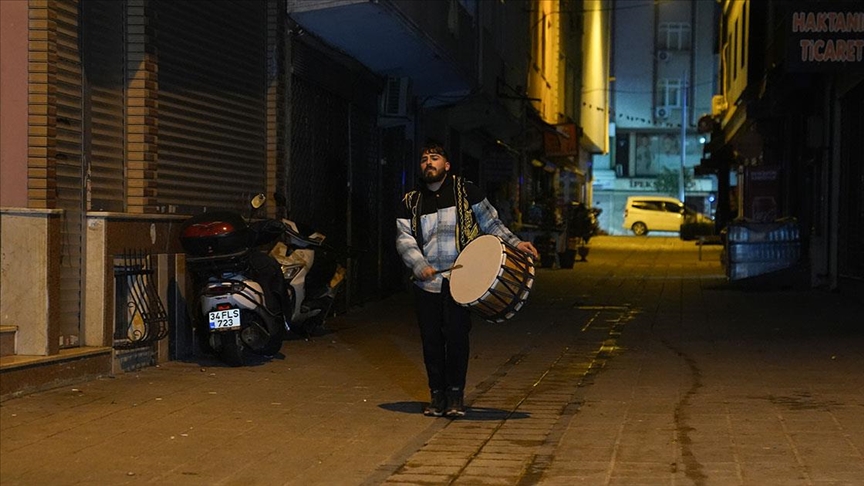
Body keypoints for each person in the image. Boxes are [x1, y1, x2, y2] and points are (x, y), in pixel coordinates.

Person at [395, 140, 539, 418]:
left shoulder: (466, 190)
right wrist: (419, 264)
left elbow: (492, 223)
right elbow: (404, 239)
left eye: (435, 158)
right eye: (424, 159)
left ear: (446, 165)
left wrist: (517, 244)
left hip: (462, 281)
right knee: (431, 341)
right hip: (428, 283)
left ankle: (455, 397)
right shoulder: (411, 201)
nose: (429, 163)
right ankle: (436, 397)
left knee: (458, 339)